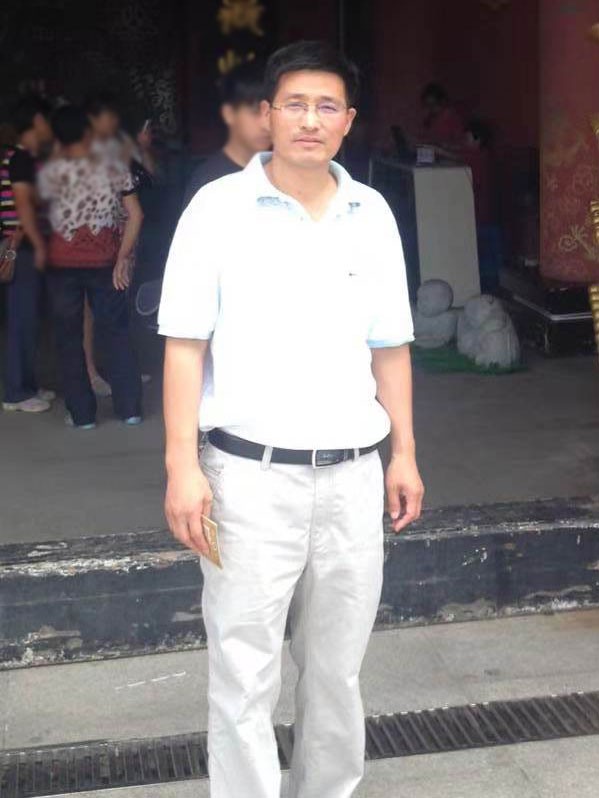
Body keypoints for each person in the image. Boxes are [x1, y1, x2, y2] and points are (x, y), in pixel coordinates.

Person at [158, 40, 425, 798]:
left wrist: (404, 453)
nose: (310, 120)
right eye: (295, 104)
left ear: (348, 121)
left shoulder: (371, 214)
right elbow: (184, 347)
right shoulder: (217, 210)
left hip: (351, 478)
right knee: (244, 672)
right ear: (266, 116)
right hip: (247, 479)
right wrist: (181, 465)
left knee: (337, 671)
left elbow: (390, 347)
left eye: (326, 106)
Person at [38, 105, 143, 429]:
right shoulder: (113, 165)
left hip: (62, 265)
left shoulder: (49, 172)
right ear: (87, 131)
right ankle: (130, 409)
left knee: (68, 339)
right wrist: (123, 257)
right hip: (104, 262)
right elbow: (136, 215)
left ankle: (82, 415)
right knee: (116, 333)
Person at [1, 95, 56, 413]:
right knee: (22, 319)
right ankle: (16, 393)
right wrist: (39, 246)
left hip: (25, 247)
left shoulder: (24, 158)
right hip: (23, 249)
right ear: (36, 121)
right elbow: (23, 208)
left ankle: (27, 384)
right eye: (47, 120)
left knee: (29, 318)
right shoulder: (20, 159)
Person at [182, 61, 272, 208]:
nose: (266, 124)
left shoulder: (281, 173)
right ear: (228, 113)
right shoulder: (208, 181)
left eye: (270, 112)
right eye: (255, 111)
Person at [420, 82, 464, 148]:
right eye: (427, 105)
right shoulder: (431, 119)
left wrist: (445, 145)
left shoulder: (453, 118)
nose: (430, 108)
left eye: (433, 104)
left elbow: (460, 144)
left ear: (442, 101)